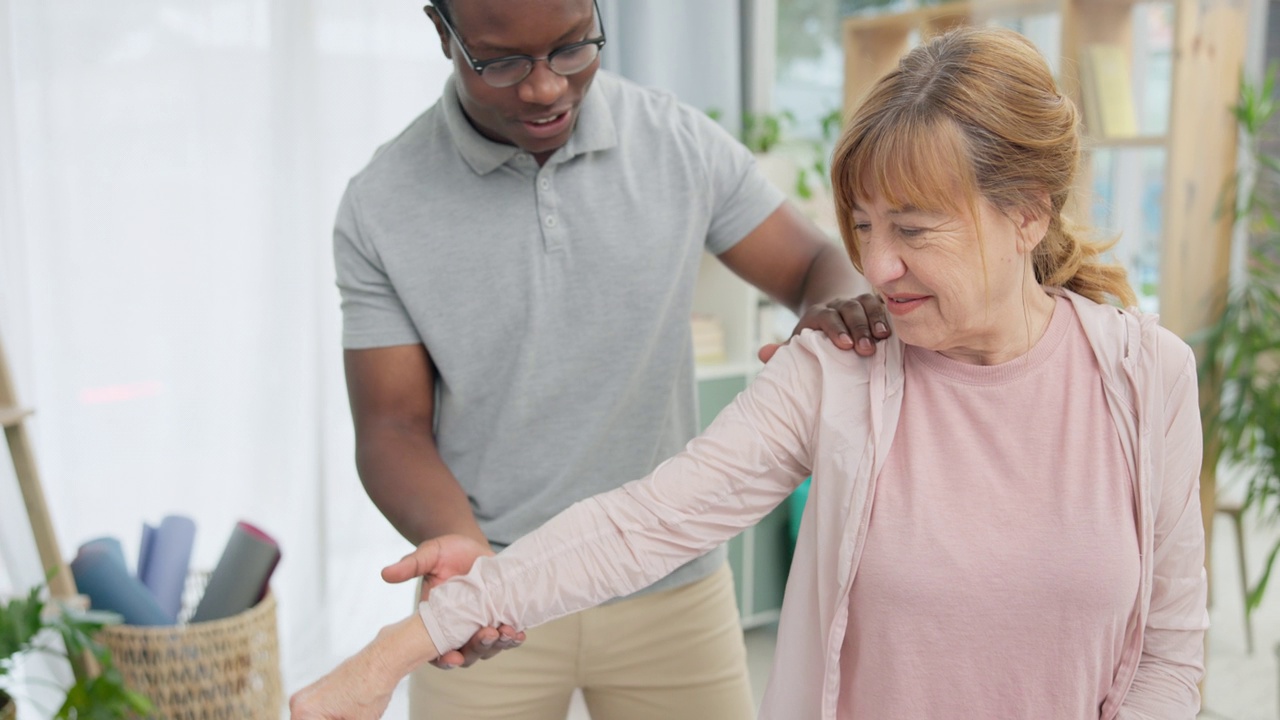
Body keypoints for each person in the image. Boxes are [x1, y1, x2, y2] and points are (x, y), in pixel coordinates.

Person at [296, 24, 1208, 720]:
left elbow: (1169, 649)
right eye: (863, 225)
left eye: (914, 229)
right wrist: (389, 653)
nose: (876, 266)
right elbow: (644, 522)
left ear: (1027, 215)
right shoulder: (839, 374)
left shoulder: (1147, 376)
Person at [329, 0, 888, 718]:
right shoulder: (381, 203)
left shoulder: (677, 140)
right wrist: (466, 553)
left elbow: (815, 259)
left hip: (673, 583)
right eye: (502, 61)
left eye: (571, 48)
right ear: (443, 33)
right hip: (496, 587)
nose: (545, 88)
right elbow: (392, 427)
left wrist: (829, 312)